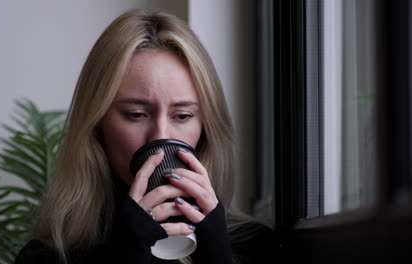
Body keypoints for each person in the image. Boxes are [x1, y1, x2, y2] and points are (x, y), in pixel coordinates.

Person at [15, 9, 276, 264]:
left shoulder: (254, 245)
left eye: (183, 116)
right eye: (136, 114)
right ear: (96, 125)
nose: (160, 137)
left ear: (206, 128)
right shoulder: (48, 256)